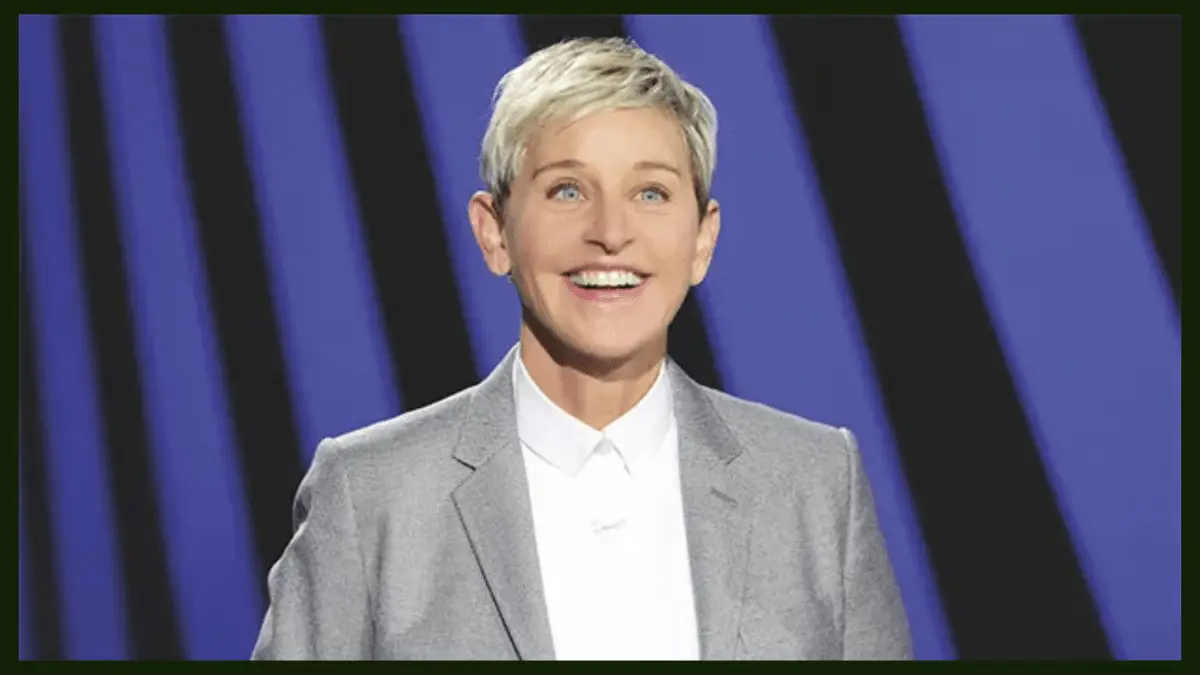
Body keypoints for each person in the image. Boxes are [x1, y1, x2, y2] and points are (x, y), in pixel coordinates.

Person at [251, 36, 912, 661]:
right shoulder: (369, 495)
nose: (610, 232)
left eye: (650, 192)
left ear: (702, 239)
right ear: (494, 232)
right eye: (568, 190)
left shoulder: (818, 484)